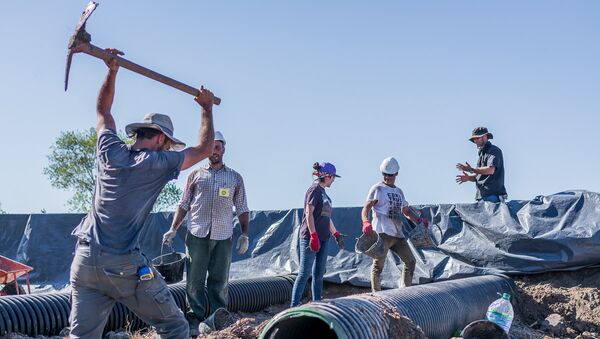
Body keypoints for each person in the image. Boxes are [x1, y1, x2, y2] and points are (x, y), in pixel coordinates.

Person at [68, 48, 216, 339]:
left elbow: (103, 112)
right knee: (174, 326)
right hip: (121, 263)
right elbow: (205, 149)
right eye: (167, 143)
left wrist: (111, 71)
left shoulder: (110, 150)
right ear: (161, 137)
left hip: (84, 262)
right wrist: (206, 108)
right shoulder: (156, 163)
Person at [162, 131, 250, 335]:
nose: (214, 150)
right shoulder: (196, 175)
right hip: (197, 234)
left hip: (223, 236)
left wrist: (245, 234)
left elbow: (242, 207)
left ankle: (219, 316)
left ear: (224, 149)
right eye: (211, 147)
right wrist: (173, 229)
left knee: (219, 280)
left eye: (218, 146)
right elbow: (184, 204)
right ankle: (195, 318)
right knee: (194, 279)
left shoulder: (234, 178)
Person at [361, 157, 429, 291]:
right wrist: (365, 221)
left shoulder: (399, 192)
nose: (388, 178)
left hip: (397, 234)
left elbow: (406, 211)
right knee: (378, 265)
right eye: (385, 175)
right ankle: (377, 295)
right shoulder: (378, 189)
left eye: (390, 175)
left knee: (410, 261)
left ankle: (405, 291)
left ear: (396, 174)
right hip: (382, 233)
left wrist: (418, 220)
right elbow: (366, 208)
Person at [290, 162, 345, 307]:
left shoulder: (323, 193)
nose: (333, 181)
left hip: (324, 237)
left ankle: (317, 304)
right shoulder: (314, 190)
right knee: (304, 274)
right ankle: (293, 306)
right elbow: (309, 213)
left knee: (319, 274)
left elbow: (326, 217)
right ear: (328, 176)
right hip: (310, 238)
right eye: (333, 178)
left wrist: (336, 234)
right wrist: (313, 235)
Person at [456, 127, 507, 202]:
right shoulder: (482, 154)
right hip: (482, 196)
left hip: (492, 195)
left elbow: (490, 170)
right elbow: (478, 176)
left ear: (485, 137)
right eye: (474, 139)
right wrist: (468, 178)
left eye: (477, 138)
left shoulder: (493, 150)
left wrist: (471, 169)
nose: (475, 141)